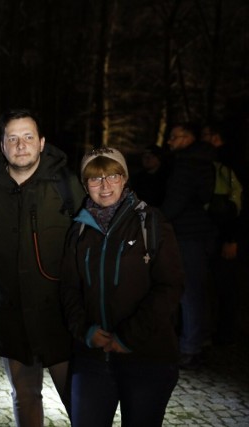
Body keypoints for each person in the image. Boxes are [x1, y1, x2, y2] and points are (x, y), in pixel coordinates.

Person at [0, 108, 84, 426]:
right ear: (3, 146)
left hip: (60, 320)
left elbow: (90, 249)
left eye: (28, 137)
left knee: (79, 400)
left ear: (42, 142)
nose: (21, 145)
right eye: (13, 138)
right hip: (12, 320)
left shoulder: (68, 186)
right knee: (25, 396)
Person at [60, 147, 183, 427]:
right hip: (92, 359)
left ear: (125, 179)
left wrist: (128, 337)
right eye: (95, 178)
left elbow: (170, 286)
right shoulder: (78, 229)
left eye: (113, 176)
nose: (104, 186)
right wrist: (85, 332)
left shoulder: (151, 223)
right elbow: (69, 288)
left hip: (147, 357)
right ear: (84, 184)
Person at [161, 122, 215, 369]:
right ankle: (199, 341)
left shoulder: (187, 164)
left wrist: (157, 221)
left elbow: (176, 202)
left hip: (186, 233)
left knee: (188, 291)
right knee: (197, 290)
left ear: (188, 137)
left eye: (174, 137)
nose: (170, 142)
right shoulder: (205, 160)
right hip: (202, 232)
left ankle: (189, 348)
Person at [201, 124, 244, 345]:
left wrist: (231, 238)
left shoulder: (229, 162)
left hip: (225, 232)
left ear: (216, 137)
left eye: (206, 135)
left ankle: (226, 332)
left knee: (225, 284)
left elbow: (234, 206)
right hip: (220, 231)